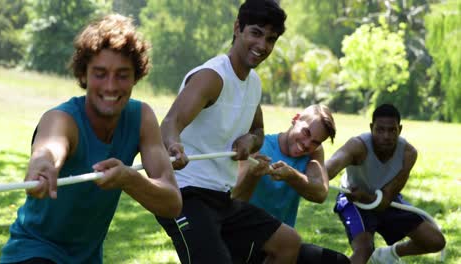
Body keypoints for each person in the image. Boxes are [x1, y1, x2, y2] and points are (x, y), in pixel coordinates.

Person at [0, 14, 182, 264]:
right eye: (100, 73)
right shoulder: (62, 118)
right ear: (83, 75)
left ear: (136, 77)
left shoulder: (142, 118)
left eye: (122, 75)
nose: (110, 86)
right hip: (34, 252)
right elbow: (50, 148)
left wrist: (129, 179)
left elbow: (172, 202)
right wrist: (42, 167)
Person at [157, 0, 302, 263]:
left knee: (288, 243)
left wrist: (251, 139)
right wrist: (173, 145)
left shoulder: (253, 83)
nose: (262, 46)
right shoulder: (212, 76)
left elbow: (258, 130)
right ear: (237, 28)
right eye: (256, 33)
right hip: (185, 194)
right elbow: (170, 123)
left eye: (270, 39)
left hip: (221, 198)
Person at [325, 103, 445, 264]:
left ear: (400, 129)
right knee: (364, 250)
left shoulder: (408, 153)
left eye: (392, 130)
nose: (386, 136)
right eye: (380, 130)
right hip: (354, 201)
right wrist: (305, 176)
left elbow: (386, 199)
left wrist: (366, 196)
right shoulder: (358, 146)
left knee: (435, 241)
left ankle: (387, 254)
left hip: (385, 200)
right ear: (371, 128)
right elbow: (330, 167)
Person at [232, 105, 350, 264]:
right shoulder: (261, 146)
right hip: (245, 238)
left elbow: (320, 193)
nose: (307, 144)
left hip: (283, 245)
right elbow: (236, 198)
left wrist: (291, 175)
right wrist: (253, 175)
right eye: (306, 132)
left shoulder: (312, 153)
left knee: (338, 262)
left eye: (315, 142)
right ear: (295, 119)